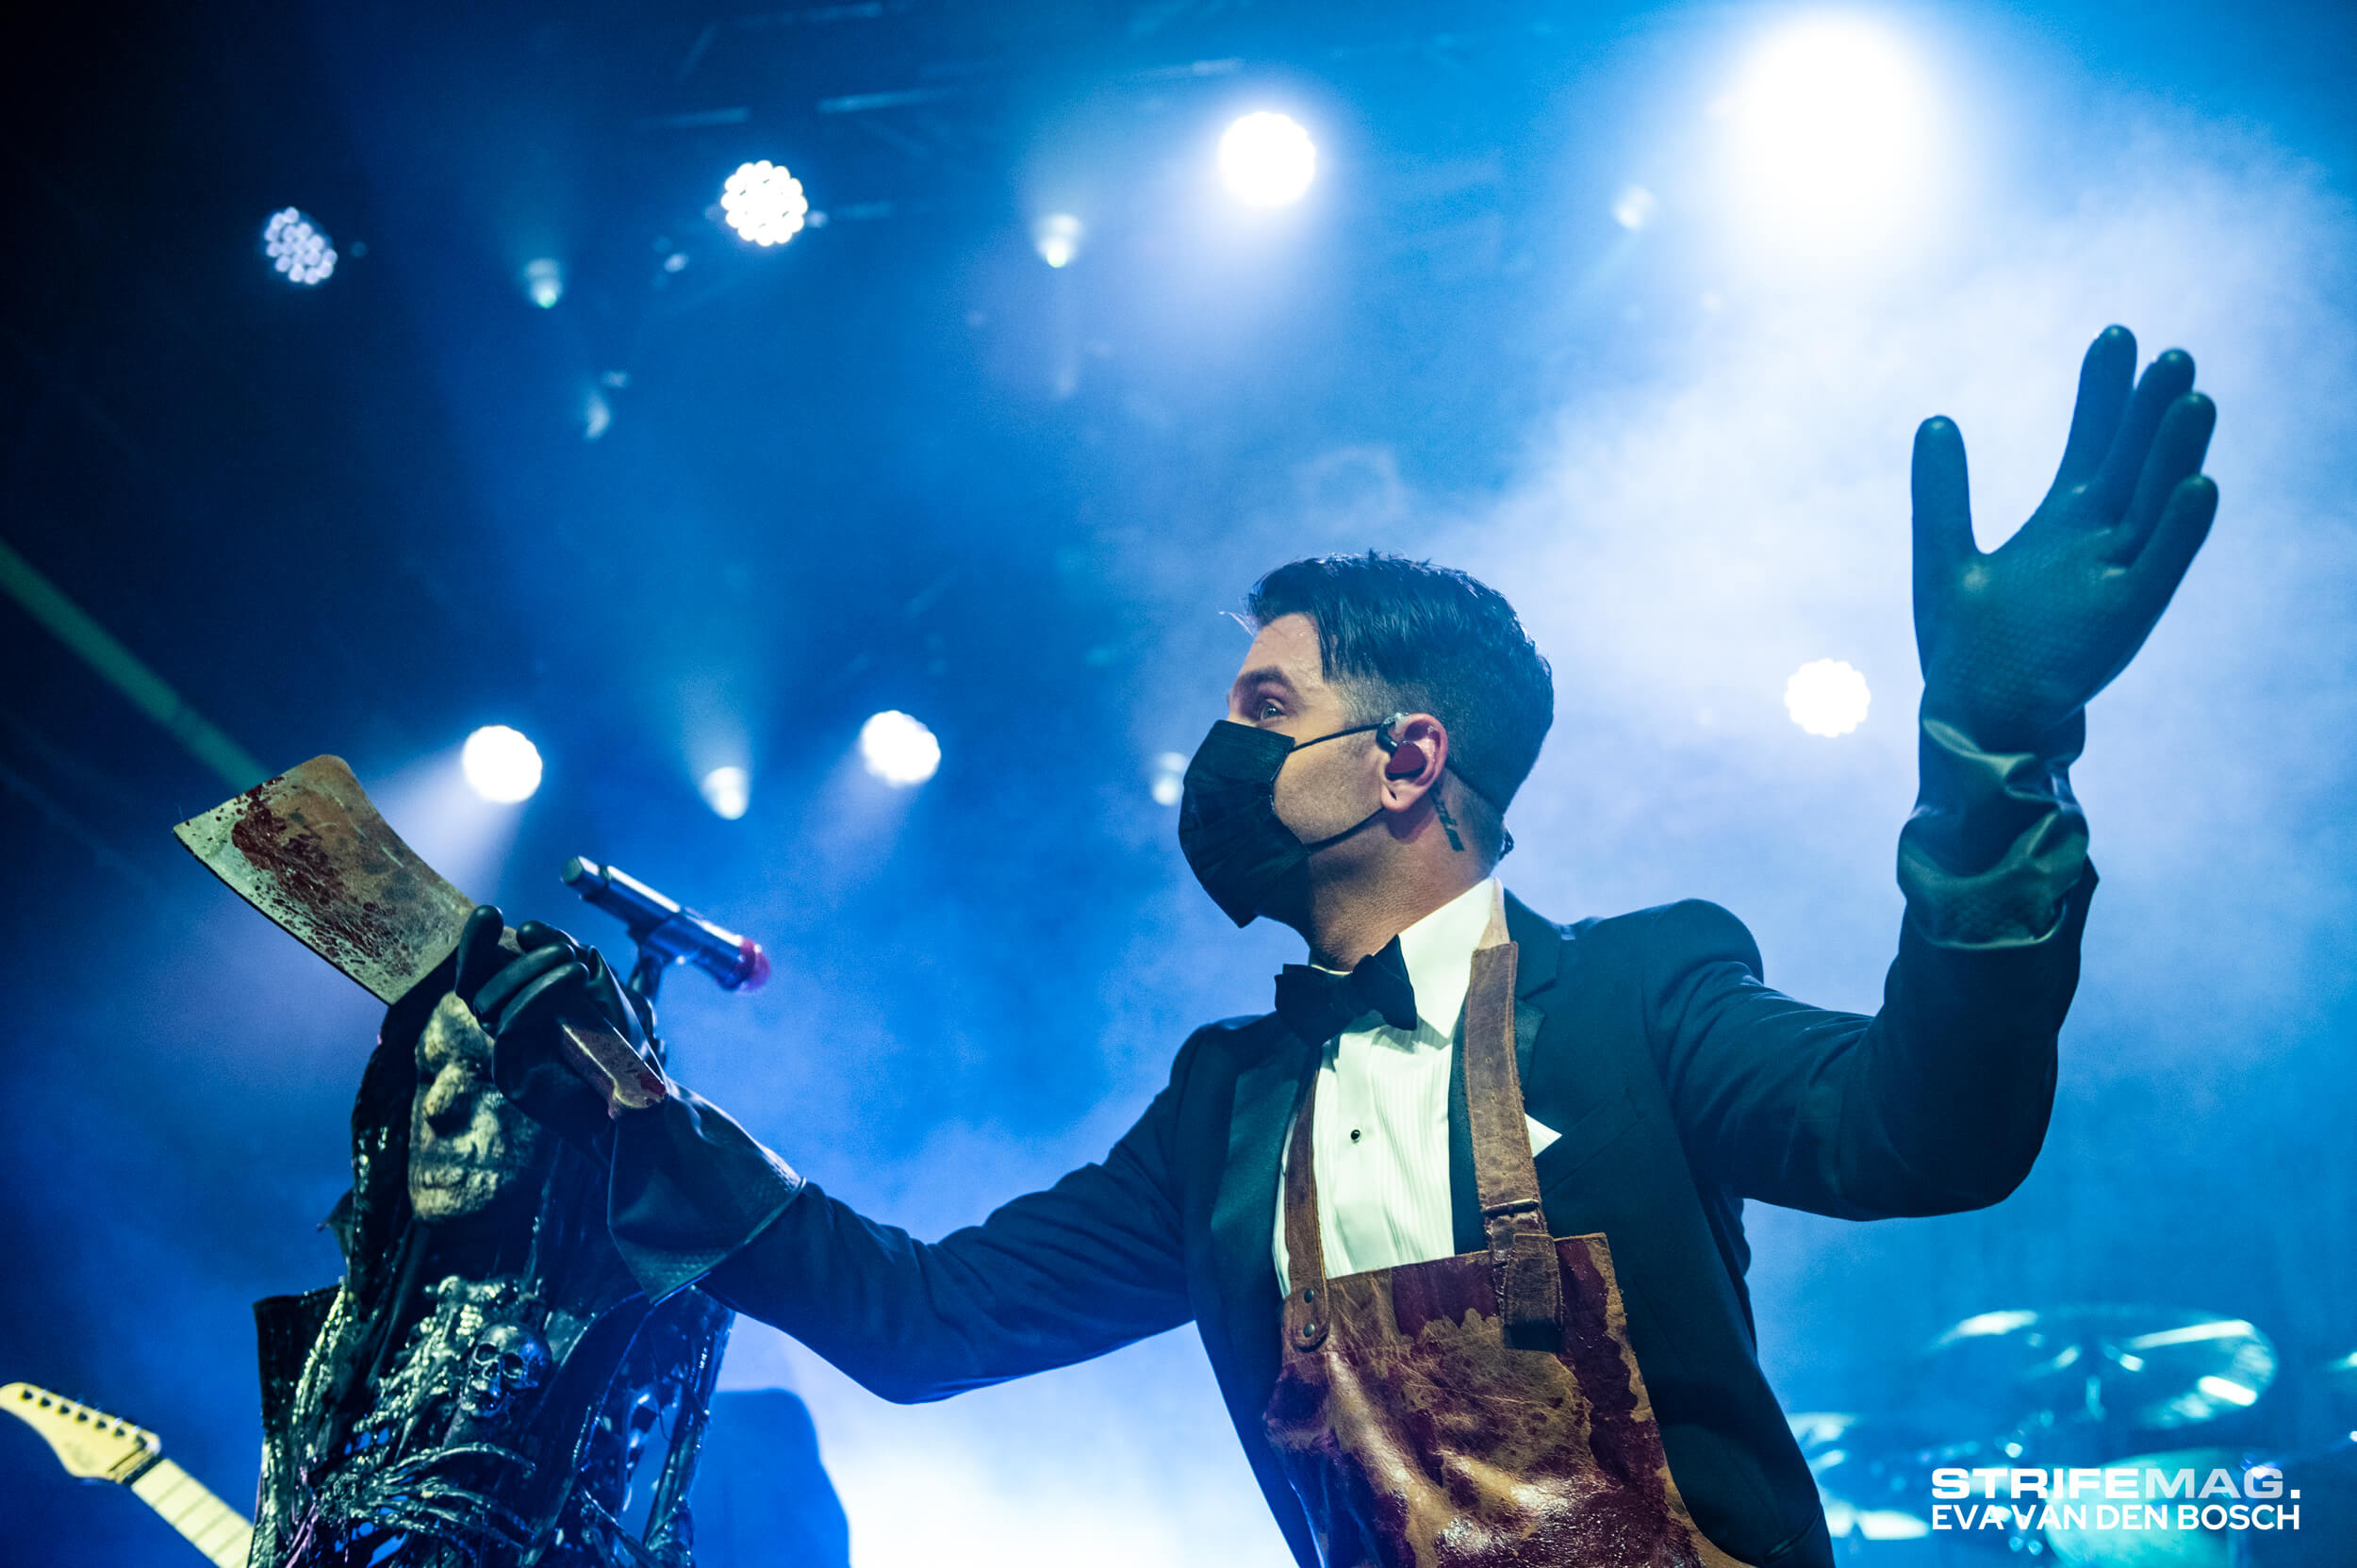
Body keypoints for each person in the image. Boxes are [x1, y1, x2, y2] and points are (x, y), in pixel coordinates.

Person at [450, 325, 2218, 1568]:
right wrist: (634, 1120)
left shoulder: (1641, 988)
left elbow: (1934, 1133)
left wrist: (1995, 752)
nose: (1216, 755)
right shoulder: (1226, 1110)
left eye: (1262, 708)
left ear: (1407, 759)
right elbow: (925, 1321)